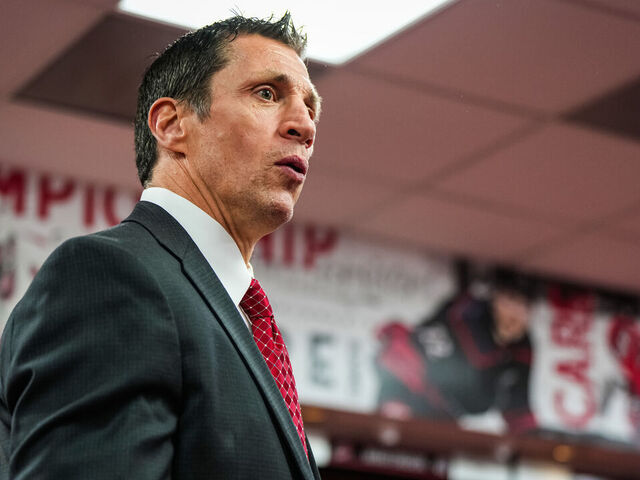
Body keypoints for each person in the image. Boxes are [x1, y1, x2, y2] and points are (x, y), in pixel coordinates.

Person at [0, 13, 321, 480]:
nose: (304, 126)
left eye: (311, 109)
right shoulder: (110, 276)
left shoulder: (240, 320)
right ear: (171, 124)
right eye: (267, 94)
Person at [376, 269, 537, 433]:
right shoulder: (466, 313)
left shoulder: (522, 347)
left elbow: (518, 403)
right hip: (405, 388)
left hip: (443, 417)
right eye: (510, 300)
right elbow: (405, 357)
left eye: (525, 307)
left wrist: (531, 439)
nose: (516, 313)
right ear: (494, 299)